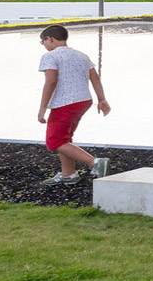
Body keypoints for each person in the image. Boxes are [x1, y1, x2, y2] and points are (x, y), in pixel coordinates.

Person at [36, 24, 112, 184]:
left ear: (50, 38)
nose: (43, 45)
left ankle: (95, 163)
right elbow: (95, 77)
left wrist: (42, 108)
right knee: (64, 138)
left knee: (55, 141)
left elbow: (51, 82)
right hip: (83, 100)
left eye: (42, 41)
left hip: (65, 102)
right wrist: (101, 99)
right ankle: (68, 174)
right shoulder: (81, 55)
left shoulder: (50, 56)